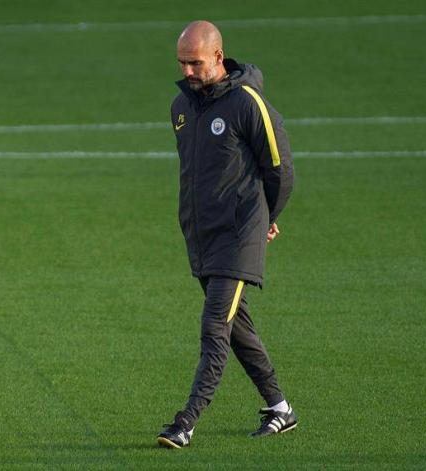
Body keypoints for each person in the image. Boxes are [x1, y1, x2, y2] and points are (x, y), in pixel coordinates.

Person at [157, 20, 296, 449]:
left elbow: (280, 168)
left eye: (195, 63)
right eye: (182, 63)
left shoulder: (247, 103)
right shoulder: (181, 108)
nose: (188, 72)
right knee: (238, 330)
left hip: (239, 236)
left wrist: (266, 217)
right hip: (201, 236)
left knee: (215, 326)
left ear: (218, 57)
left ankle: (186, 422)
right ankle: (280, 408)